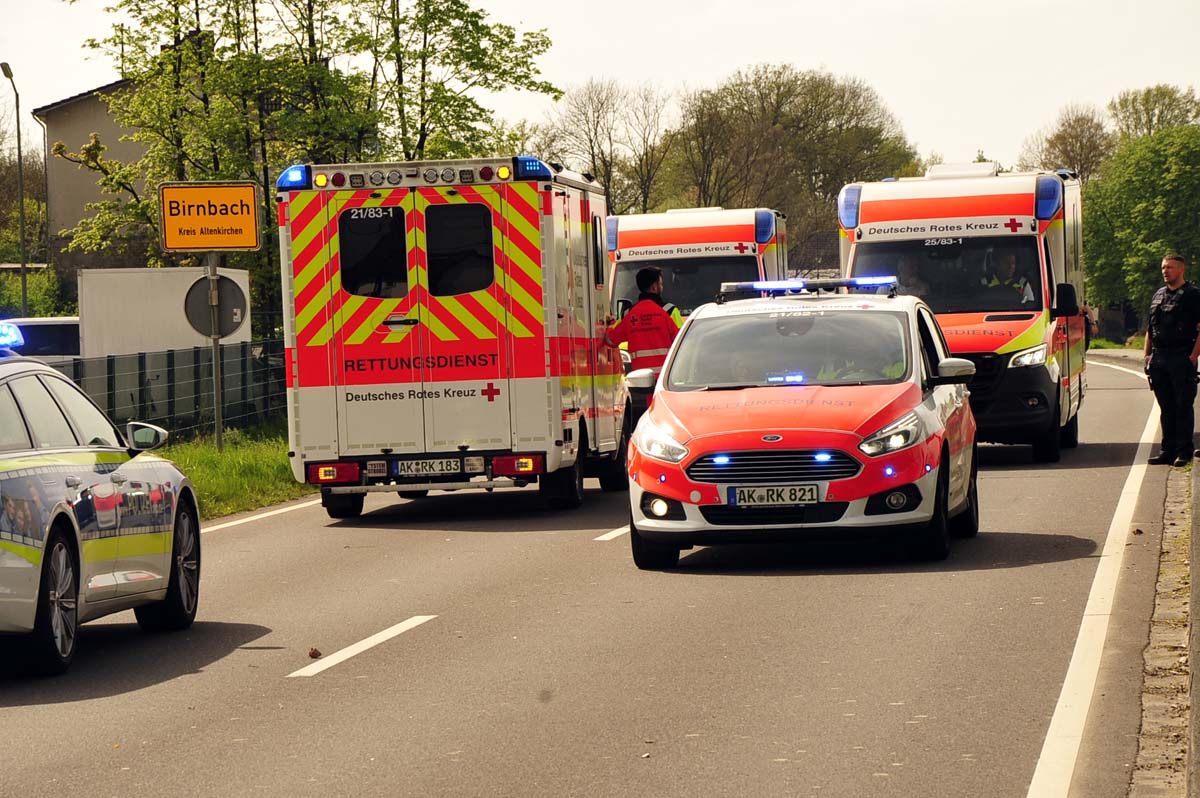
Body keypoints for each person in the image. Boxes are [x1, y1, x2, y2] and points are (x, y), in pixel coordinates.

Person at [605, 267, 683, 427]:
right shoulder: (669, 312)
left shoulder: (630, 314)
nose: (662, 287)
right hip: (666, 380)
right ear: (654, 287)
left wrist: (606, 324)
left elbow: (610, 340)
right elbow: (683, 344)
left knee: (648, 423)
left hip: (640, 383)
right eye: (660, 284)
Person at [1144, 254, 1200, 465]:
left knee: (1183, 405)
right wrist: (1147, 356)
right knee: (1166, 406)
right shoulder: (1158, 295)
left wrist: (1193, 356)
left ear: (1181, 269)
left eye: (1170, 267)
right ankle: (1167, 450)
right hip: (1159, 357)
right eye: (1163, 267)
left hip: (1181, 356)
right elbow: (1150, 328)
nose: (1166, 271)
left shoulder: (1193, 295)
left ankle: (1184, 451)